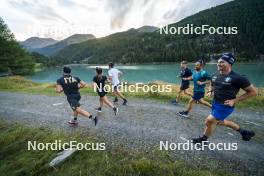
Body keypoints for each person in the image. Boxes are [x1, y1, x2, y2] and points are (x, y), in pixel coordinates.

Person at [192, 53, 257, 143]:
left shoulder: (238, 78)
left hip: (225, 105)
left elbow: (253, 92)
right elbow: (212, 83)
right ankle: (244, 132)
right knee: (219, 122)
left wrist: (235, 100)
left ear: (229, 63)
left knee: (209, 121)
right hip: (215, 103)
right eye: (218, 62)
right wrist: (210, 91)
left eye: (222, 62)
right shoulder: (215, 75)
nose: (218, 64)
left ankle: (203, 139)